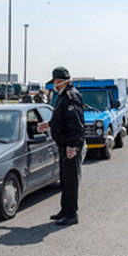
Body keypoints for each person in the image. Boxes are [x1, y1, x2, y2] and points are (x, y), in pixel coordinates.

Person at [37, 67, 85, 226]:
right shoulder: (63, 96)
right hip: (63, 144)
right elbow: (61, 119)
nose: (54, 86)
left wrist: (73, 145)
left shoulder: (71, 97)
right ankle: (65, 210)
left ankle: (71, 214)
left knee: (71, 181)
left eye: (55, 82)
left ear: (59, 81)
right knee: (65, 180)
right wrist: (48, 124)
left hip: (70, 145)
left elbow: (75, 124)